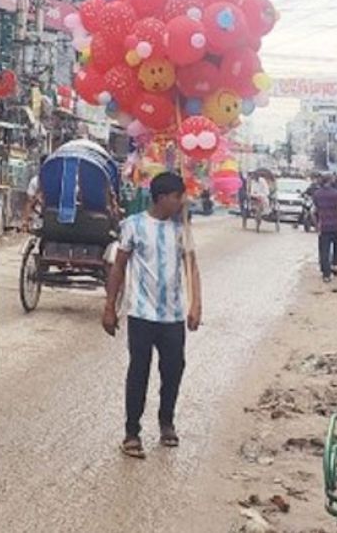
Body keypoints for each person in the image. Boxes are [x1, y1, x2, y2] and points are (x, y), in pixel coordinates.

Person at [102, 172, 202, 459]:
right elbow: (119, 267)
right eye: (176, 196)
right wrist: (110, 306)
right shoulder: (133, 226)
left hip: (172, 316)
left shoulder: (182, 229)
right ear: (161, 198)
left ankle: (166, 420)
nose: (181, 201)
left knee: (174, 370)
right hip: (141, 314)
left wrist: (196, 304)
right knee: (138, 372)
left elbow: (192, 268)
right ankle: (131, 433)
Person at [312, 176, 337, 282]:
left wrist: (317, 225)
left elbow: (313, 211)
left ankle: (326, 274)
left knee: (324, 251)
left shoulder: (317, 194)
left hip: (324, 227)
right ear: (331, 182)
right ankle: (336, 267)